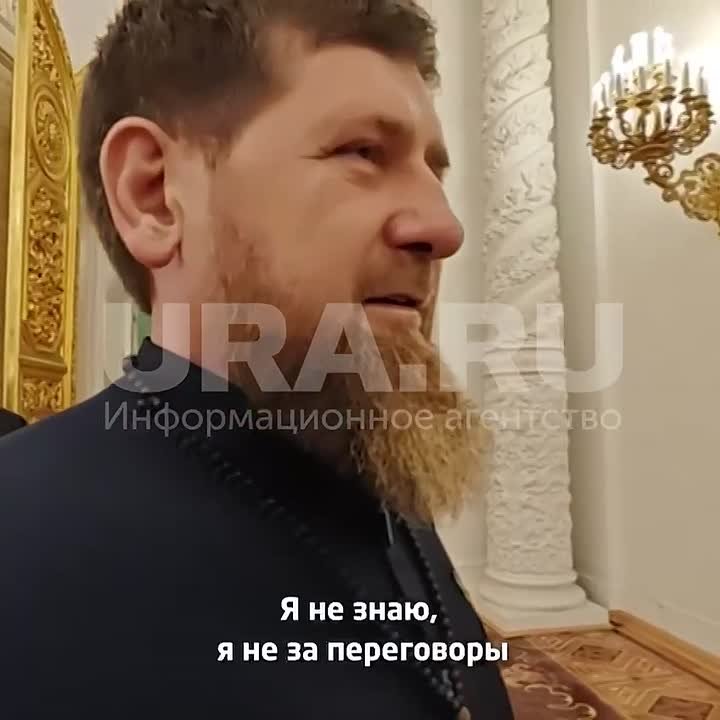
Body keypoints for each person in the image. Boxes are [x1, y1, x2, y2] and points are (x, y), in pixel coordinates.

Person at [0, 2, 514, 718]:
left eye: (433, 171)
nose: (444, 227)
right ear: (154, 196)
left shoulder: (377, 469)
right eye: (363, 152)